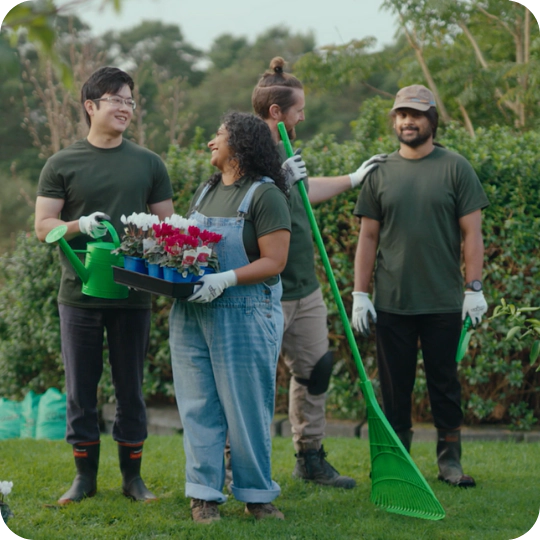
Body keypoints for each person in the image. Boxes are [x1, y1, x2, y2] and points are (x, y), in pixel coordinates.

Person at [35, 66, 174, 504]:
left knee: (131, 387)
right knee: (81, 388)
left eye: (130, 101)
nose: (125, 108)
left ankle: (133, 479)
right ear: (91, 106)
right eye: (117, 99)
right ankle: (84, 478)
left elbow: (168, 229)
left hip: (133, 296)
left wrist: (150, 248)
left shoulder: (149, 163)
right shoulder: (62, 163)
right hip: (79, 296)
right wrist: (79, 224)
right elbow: (43, 227)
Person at [246, 56, 386, 489]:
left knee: (316, 369)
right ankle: (238, 465)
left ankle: (309, 458)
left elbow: (304, 193)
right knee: (250, 379)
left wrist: (353, 177)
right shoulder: (247, 151)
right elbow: (242, 208)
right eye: (298, 109)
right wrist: (280, 181)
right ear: (276, 113)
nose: (303, 116)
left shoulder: (288, 150)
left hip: (305, 288)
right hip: (264, 290)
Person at [351, 84, 489, 487]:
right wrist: (360, 294)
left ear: (432, 120)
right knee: (395, 389)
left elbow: (472, 235)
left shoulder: (455, 167)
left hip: (444, 301)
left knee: (444, 384)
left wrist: (474, 288)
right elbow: (368, 238)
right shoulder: (380, 173)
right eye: (401, 114)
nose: (407, 121)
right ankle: (397, 462)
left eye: (416, 114)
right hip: (392, 302)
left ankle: (450, 461)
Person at [168, 111, 291, 523]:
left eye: (217, 135)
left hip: (244, 313)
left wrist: (225, 279)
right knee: (198, 405)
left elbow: (275, 261)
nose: (210, 143)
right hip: (192, 313)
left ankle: (257, 495)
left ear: (239, 143)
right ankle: (203, 495)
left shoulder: (265, 195)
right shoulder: (205, 192)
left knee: (247, 407)